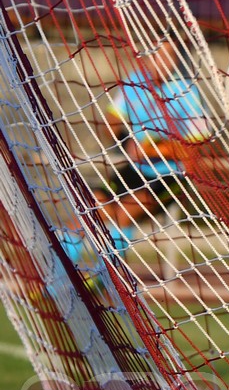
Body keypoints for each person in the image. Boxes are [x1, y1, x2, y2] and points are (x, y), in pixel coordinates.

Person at [62, 33, 211, 262]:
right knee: (89, 207)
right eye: (157, 55)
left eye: (169, 56)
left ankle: (110, 281)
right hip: (135, 169)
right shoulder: (135, 82)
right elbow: (112, 119)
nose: (162, 62)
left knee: (123, 214)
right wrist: (120, 134)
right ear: (147, 56)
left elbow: (195, 149)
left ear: (179, 60)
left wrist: (154, 148)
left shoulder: (188, 92)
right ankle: (57, 274)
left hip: (170, 176)